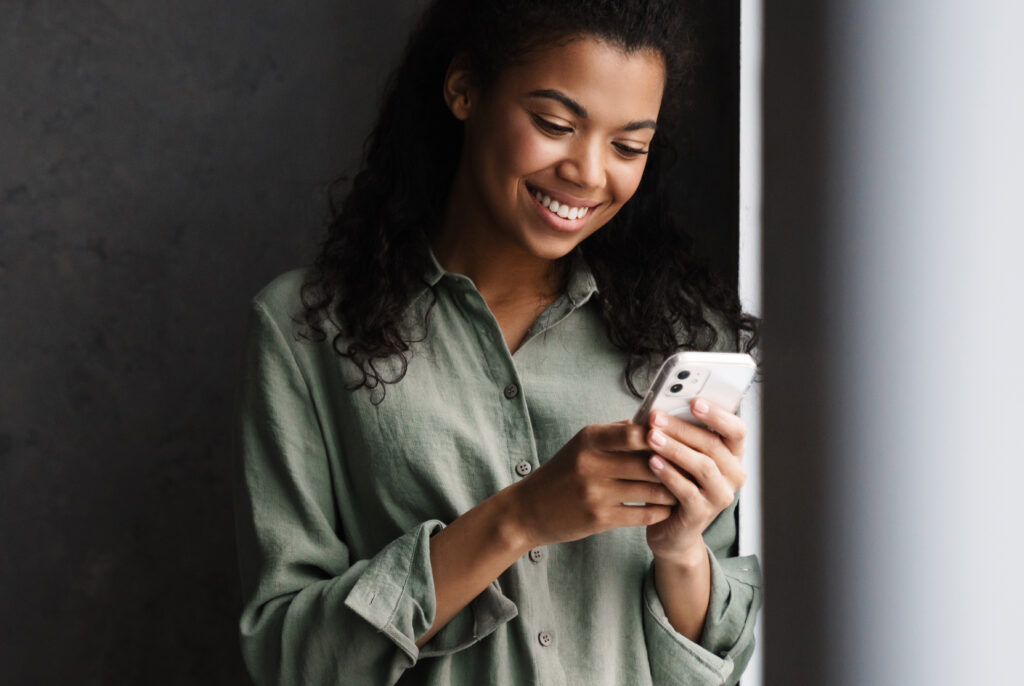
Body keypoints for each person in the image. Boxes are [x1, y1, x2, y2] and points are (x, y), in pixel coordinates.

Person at [232, 0, 763, 684]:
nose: (589, 173)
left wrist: (682, 550)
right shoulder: (306, 332)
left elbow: (713, 666)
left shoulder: (684, 338)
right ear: (464, 89)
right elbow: (293, 659)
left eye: (628, 146)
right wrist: (520, 516)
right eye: (555, 124)